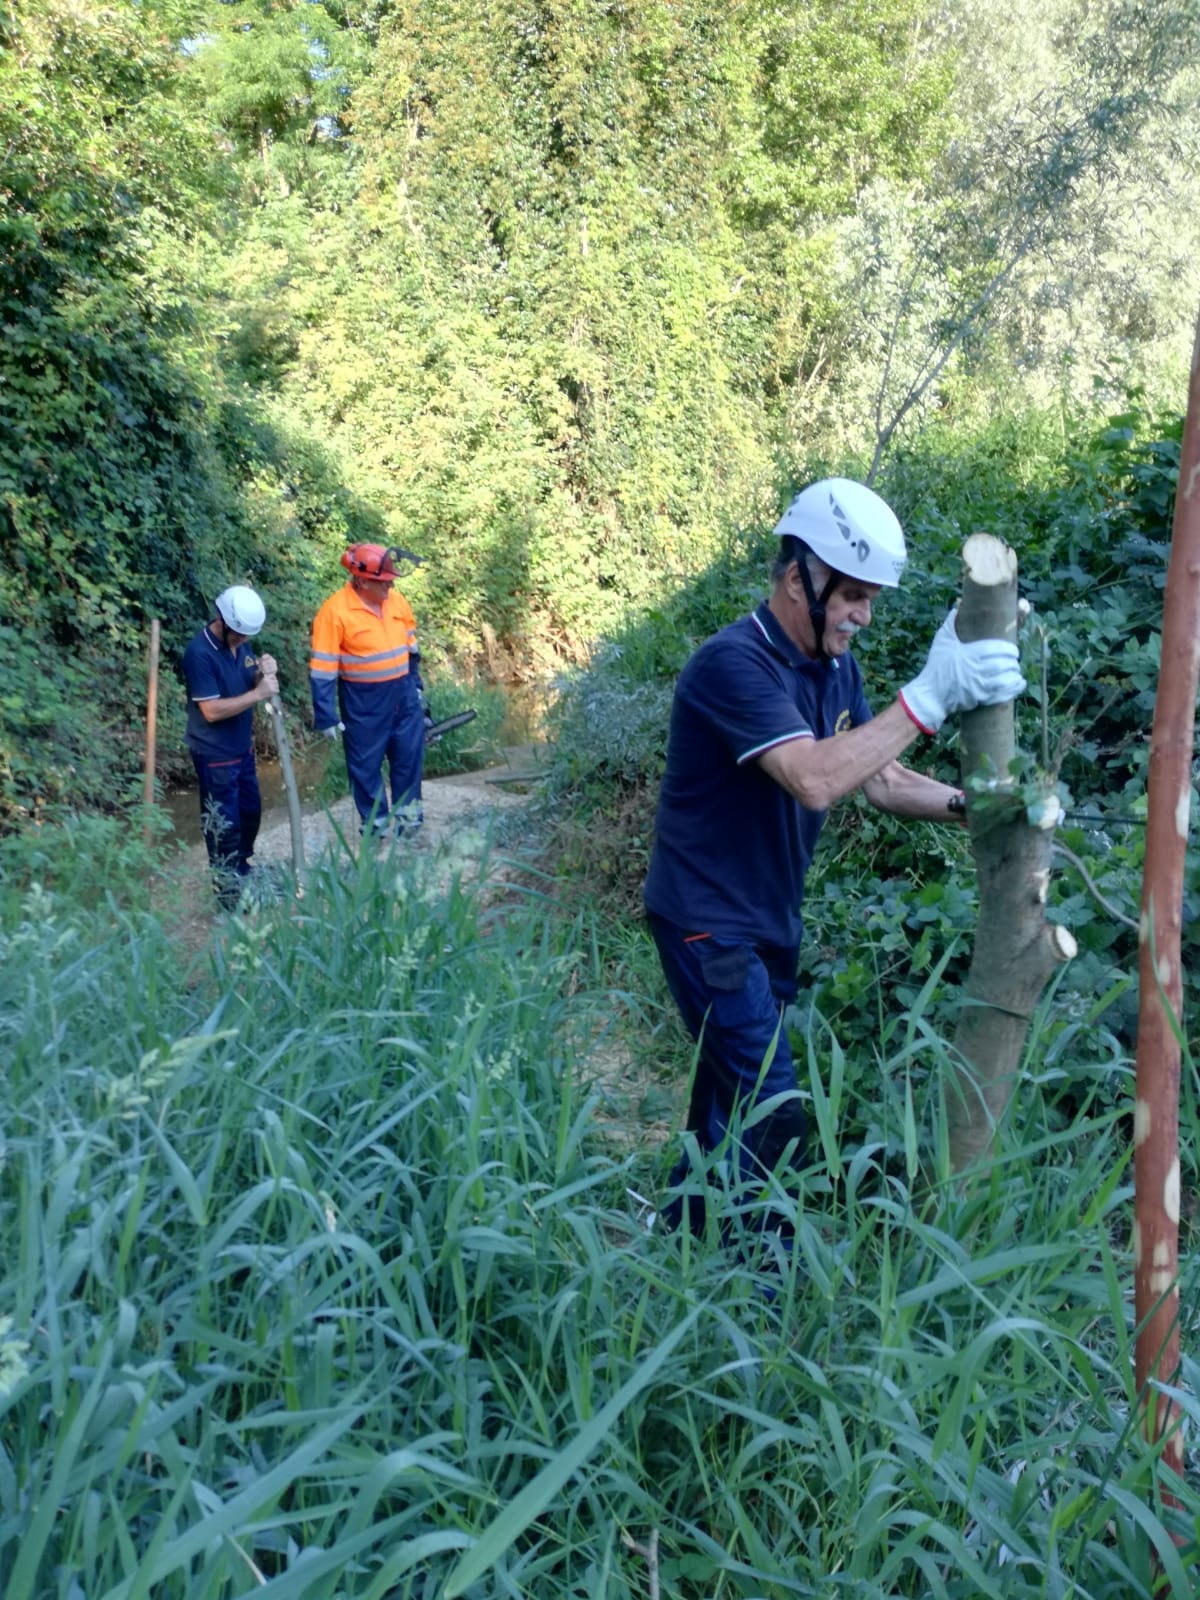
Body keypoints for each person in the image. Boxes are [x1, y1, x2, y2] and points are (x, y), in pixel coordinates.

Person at [642, 478, 1027, 1233]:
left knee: (727, 1088)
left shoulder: (834, 669)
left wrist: (978, 806)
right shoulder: (733, 666)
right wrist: (926, 698)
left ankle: (680, 1229)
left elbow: (880, 779)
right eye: (852, 595)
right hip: (705, 921)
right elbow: (814, 778)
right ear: (798, 579)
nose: (863, 615)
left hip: (764, 919)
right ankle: (763, 1282)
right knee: (774, 1105)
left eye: (870, 599)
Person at [309, 544, 428, 838]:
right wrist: (325, 714)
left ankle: (409, 821)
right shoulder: (334, 612)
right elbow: (323, 668)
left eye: (391, 580)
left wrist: (416, 687)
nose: (390, 586)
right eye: (383, 581)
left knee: (408, 756)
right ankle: (375, 824)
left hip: (403, 693)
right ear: (362, 580)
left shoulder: (396, 602)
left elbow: (411, 650)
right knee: (365, 763)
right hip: (364, 700)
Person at [182, 585, 279, 910]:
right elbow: (210, 710)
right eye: (237, 635)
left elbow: (252, 680)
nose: (241, 640)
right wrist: (258, 695)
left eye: (245, 636)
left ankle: (242, 868)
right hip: (214, 753)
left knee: (250, 812)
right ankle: (227, 892)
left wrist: (263, 673)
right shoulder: (199, 653)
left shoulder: (241, 642)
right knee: (224, 823)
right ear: (222, 621)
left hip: (241, 748)